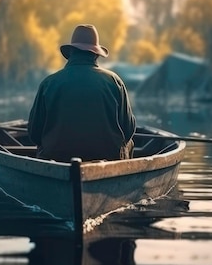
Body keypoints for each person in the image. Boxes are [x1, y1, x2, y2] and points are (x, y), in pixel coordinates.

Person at [28, 24, 136, 162]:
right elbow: (129, 130)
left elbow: (34, 133)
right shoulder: (114, 82)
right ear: (96, 54)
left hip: (55, 160)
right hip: (108, 160)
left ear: (71, 53)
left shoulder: (48, 83)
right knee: (130, 143)